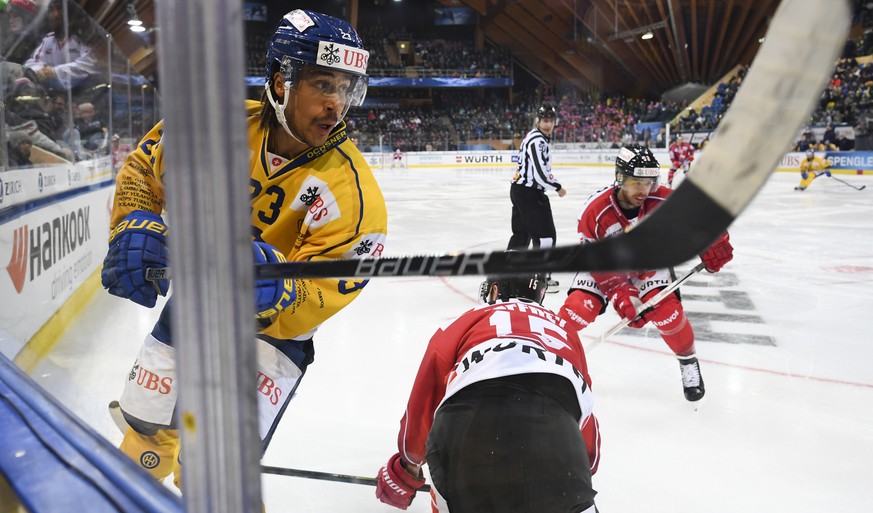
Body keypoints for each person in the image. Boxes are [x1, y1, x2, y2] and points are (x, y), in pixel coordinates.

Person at [100, 9, 387, 489]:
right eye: (322, 84)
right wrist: (134, 218)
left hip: (272, 338)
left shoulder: (355, 195)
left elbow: (330, 287)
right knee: (144, 438)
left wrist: (280, 291)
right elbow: (143, 169)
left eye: (346, 87)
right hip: (196, 307)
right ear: (280, 82)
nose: (337, 104)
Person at [376, 273, 600, 513]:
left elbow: (425, 401)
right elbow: (584, 420)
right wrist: (577, 471)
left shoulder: (466, 319)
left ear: (494, 291)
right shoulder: (566, 332)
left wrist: (407, 468)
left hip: (468, 432)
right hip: (556, 440)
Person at [558, 144, 733, 402]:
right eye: (636, 183)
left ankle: (687, 360)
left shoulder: (663, 198)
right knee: (576, 310)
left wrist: (715, 240)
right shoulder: (595, 212)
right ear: (619, 178)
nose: (643, 190)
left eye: (649, 182)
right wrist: (620, 294)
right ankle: (549, 358)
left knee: (669, 315)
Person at [508, 103, 566, 288]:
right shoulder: (537, 141)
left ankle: (507, 272)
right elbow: (540, 173)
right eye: (544, 120)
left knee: (521, 235)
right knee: (546, 236)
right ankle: (540, 278)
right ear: (538, 120)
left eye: (550, 120)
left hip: (521, 191)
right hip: (529, 193)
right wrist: (557, 187)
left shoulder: (537, 138)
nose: (547, 124)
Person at [24, 0, 101, 91]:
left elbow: (89, 65)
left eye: (60, 9)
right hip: (52, 93)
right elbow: (32, 62)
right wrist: (41, 71)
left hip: (81, 93)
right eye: (52, 10)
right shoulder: (48, 39)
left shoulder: (85, 38)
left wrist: (54, 72)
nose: (56, 14)